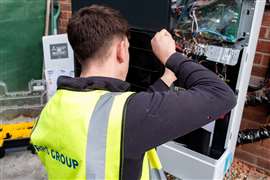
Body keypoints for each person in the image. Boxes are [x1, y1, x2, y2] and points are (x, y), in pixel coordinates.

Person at [31, 5, 236, 180]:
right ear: (121, 50)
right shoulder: (129, 117)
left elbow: (117, 117)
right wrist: (171, 56)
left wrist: (167, 78)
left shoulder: (52, 107)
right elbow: (221, 95)